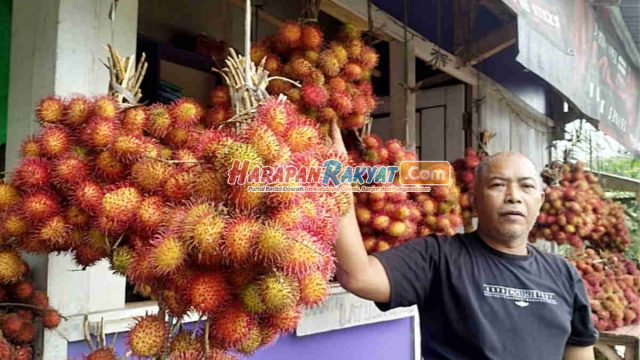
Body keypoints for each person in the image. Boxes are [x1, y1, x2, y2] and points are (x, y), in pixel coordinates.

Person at [329, 120, 598, 360]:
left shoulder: (564, 274)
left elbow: (579, 352)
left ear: (539, 201)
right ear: (474, 201)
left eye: (527, 186)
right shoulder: (439, 256)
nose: (513, 196)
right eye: (498, 185)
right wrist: (336, 176)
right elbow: (358, 276)